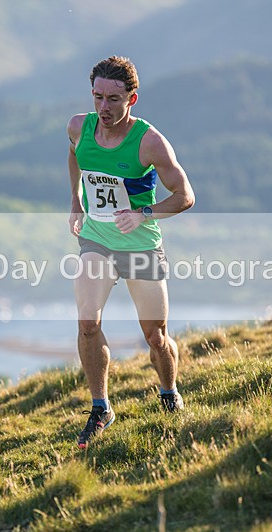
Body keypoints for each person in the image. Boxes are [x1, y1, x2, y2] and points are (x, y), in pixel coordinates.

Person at [67, 56, 195, 449]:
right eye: (97, 97)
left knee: (155, 335)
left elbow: (185, 196)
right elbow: (75, 155)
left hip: (141, 245)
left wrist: (143, 214)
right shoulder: (78, 127)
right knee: (87, 322)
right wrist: (76, 201)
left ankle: (169, 392)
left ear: (131, 99)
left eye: (113, 99)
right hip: (97, 240)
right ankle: (101, 407)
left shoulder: (149, 142)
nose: (103, 107)